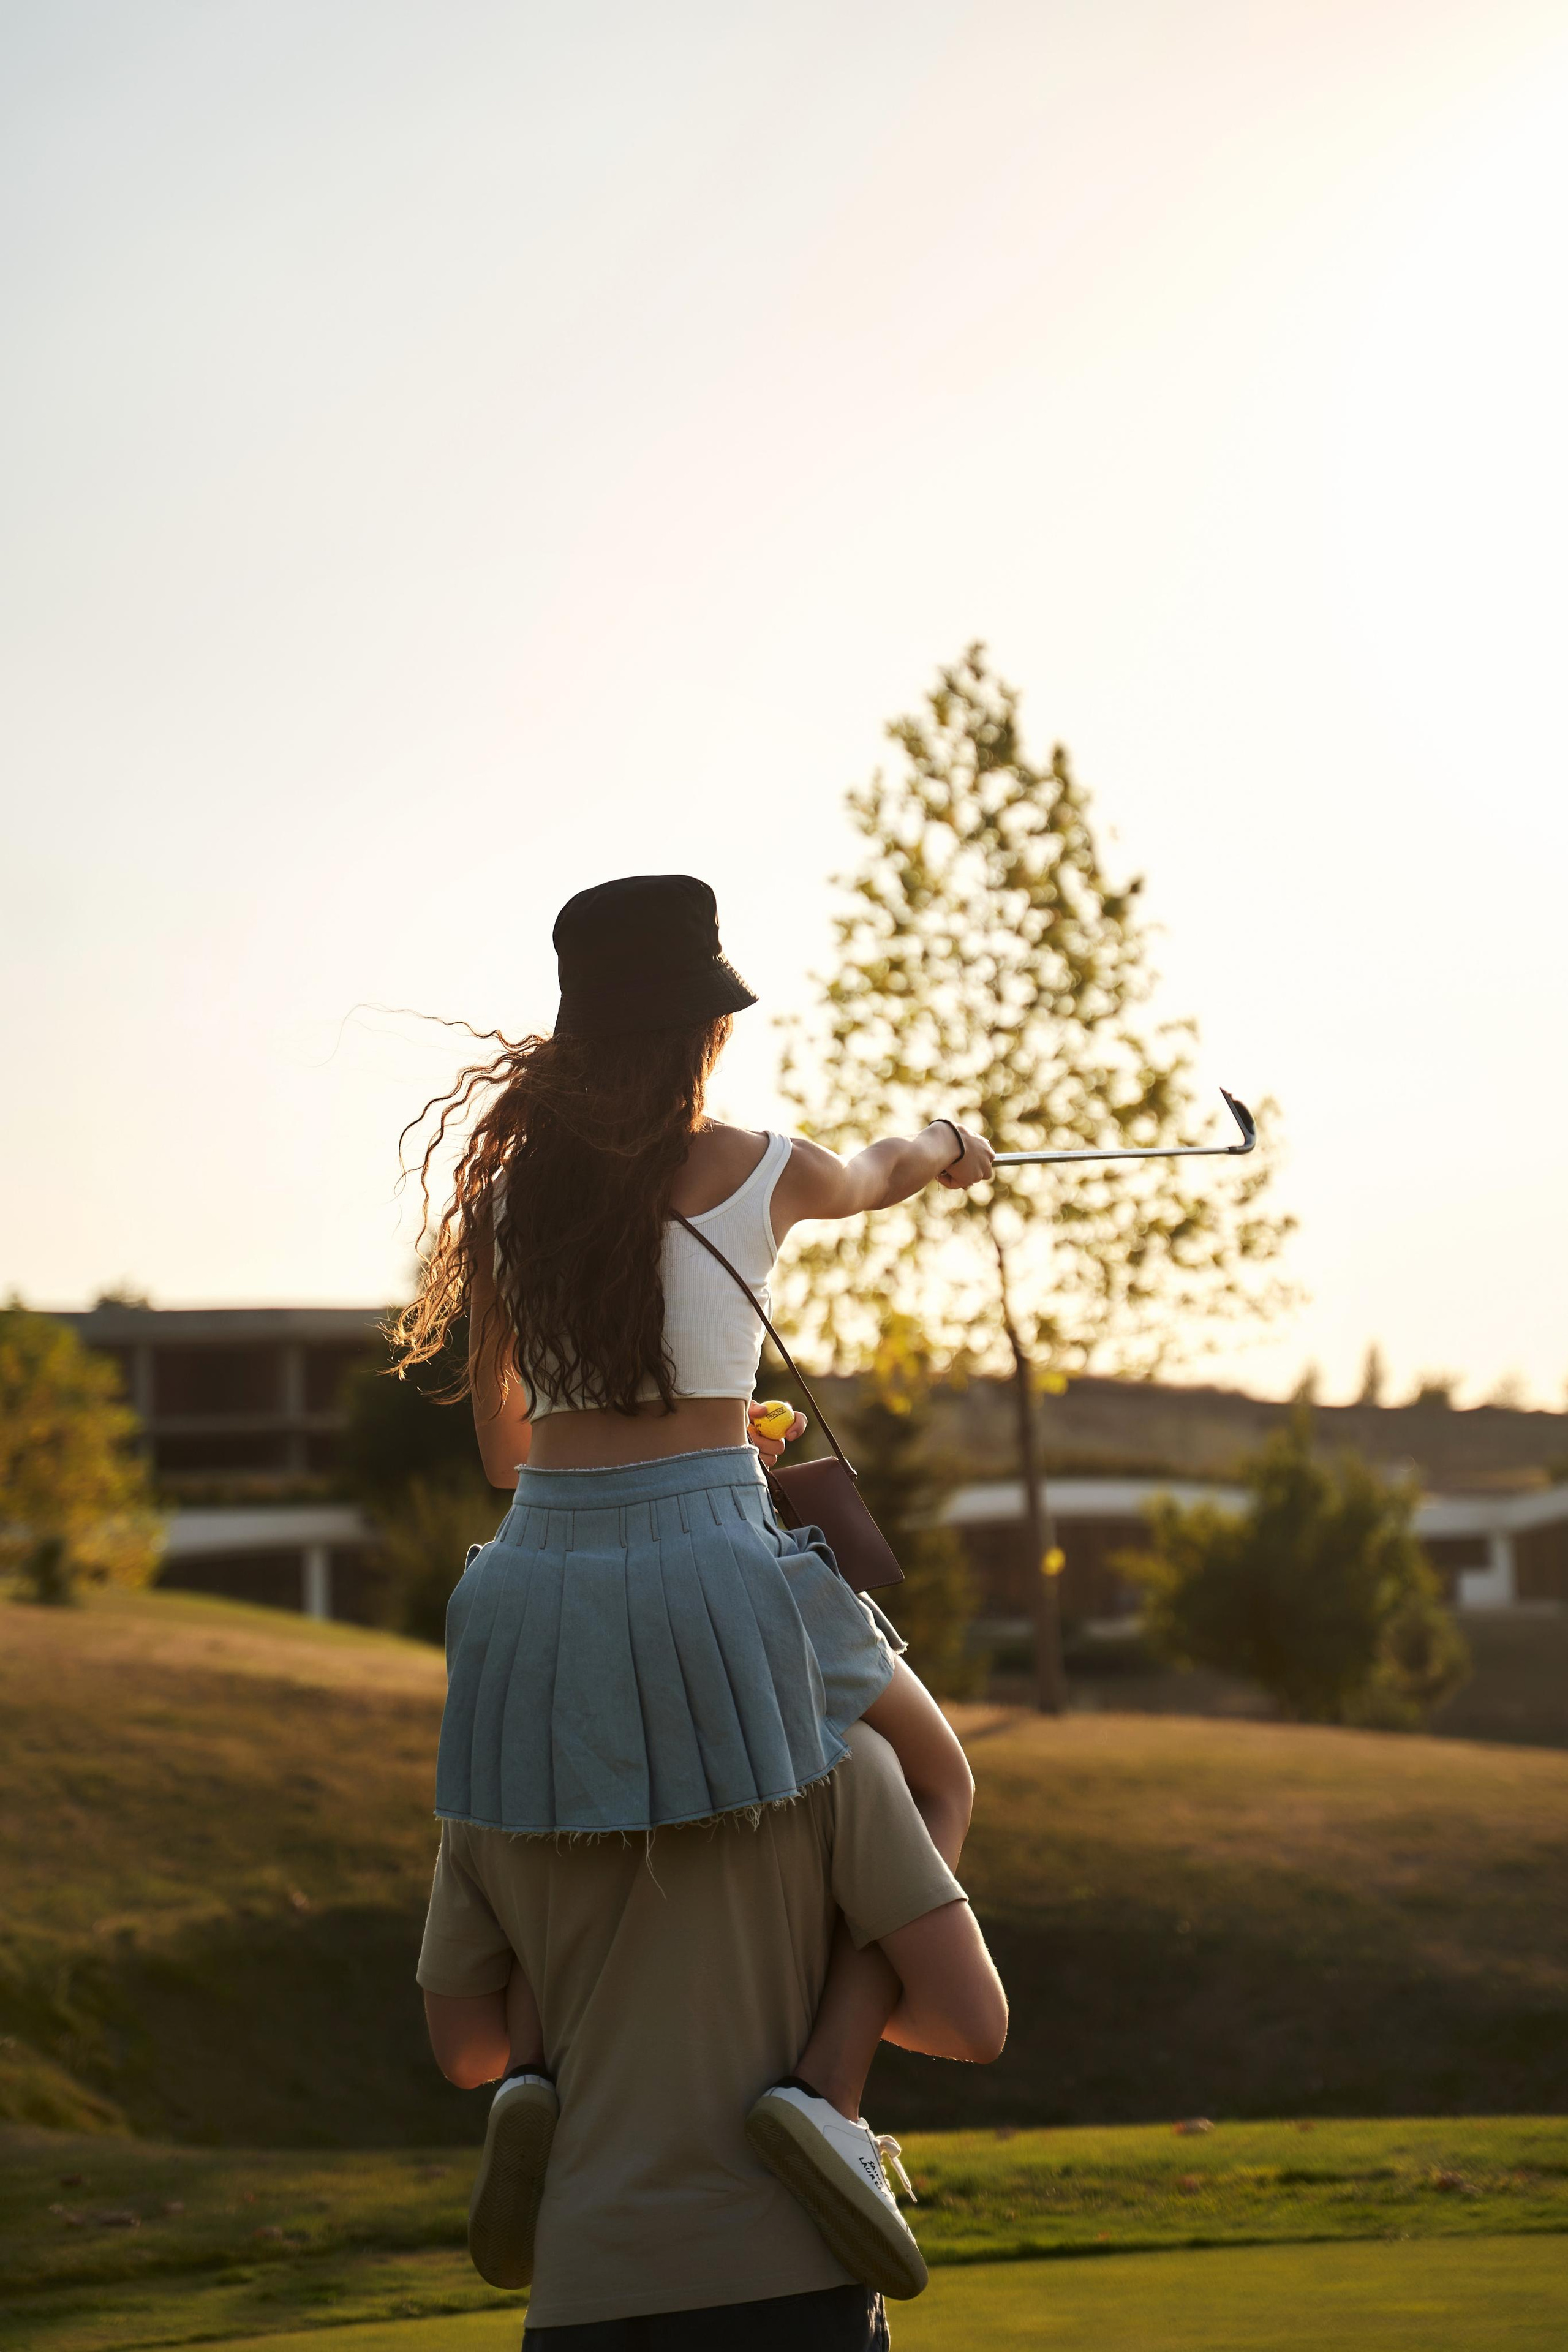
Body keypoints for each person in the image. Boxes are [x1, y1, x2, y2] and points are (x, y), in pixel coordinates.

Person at [392, 873, 999, 2298]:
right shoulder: (755, 1161)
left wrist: (663, 1429)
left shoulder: (504, 1201)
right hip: (717, 1559)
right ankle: (825, 2094)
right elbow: (879, 1167)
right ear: (698, 1031)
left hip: (536, 1568)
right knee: (938, 1781)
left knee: (570, 1812)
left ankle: (534, 2075)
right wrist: (952, 1139)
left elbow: (501, 1450)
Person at [418, 1718, 1008, 2343]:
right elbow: (971, 2024)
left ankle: (529, 2076)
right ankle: (821, 2097)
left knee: (534, 1955)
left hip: (581, 2284)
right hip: (782, 2277)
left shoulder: (498, 1791)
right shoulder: (836, 1755)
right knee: (877, 1916)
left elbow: (464, 2051)